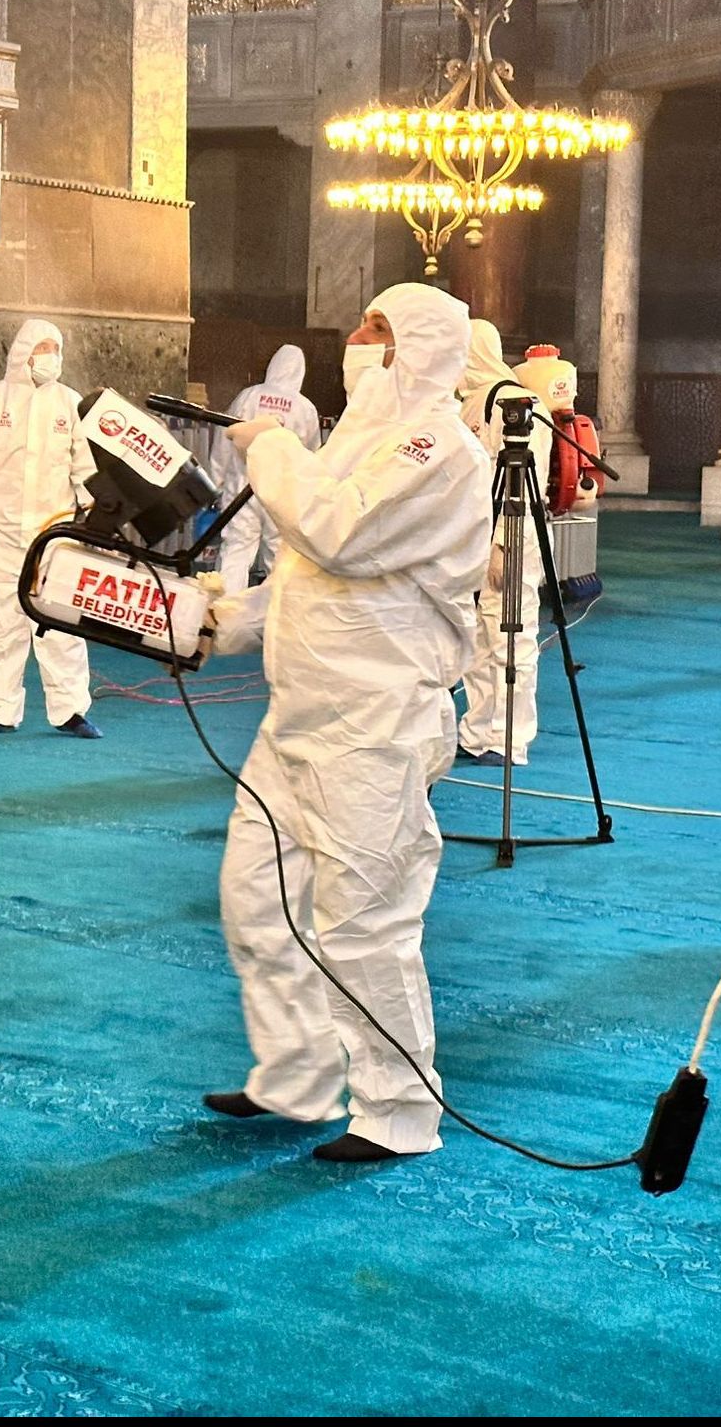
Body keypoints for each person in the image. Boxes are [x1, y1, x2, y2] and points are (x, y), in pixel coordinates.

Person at [200, 282, 491, 1163]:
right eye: (362, 326)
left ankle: (399, 1113)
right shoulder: (364, 437)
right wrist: (228, 621)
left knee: (365, 923)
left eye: (378, 329)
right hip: (299, 714)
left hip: (373, 725)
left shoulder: (439, 446)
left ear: (420, 346)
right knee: (257, 899)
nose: (358, 341)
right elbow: (313, 578)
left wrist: (275, 444)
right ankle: (295, 1078)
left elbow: (337, 534)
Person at [0, 320, 100, 738]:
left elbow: (85, 468)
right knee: (4, 622)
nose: (50, 357)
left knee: (61, 622)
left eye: (55, 348)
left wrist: (91, 509)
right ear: (24, 352)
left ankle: (70, 710)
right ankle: (0, 709)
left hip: (54, 534)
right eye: (42, 347)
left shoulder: (69, 403)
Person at [454, 319, 551, 768]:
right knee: (476, 638)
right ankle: (477, 731)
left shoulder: (516, 401)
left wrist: (502, 544)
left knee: (510, 635)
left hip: (511, 534)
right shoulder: (471, 402)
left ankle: (510, 738)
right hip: (475, 536)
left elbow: (521, 481)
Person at [217, 345, 321, 601]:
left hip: (243, 484)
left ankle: (220, 618)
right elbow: (312, 455)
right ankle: (276, 618)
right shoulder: (305, 408)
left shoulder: (249, 396)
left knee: (236, 551)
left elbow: (225, 439)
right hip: (281, 490)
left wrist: (216, 479)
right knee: (279, 556)